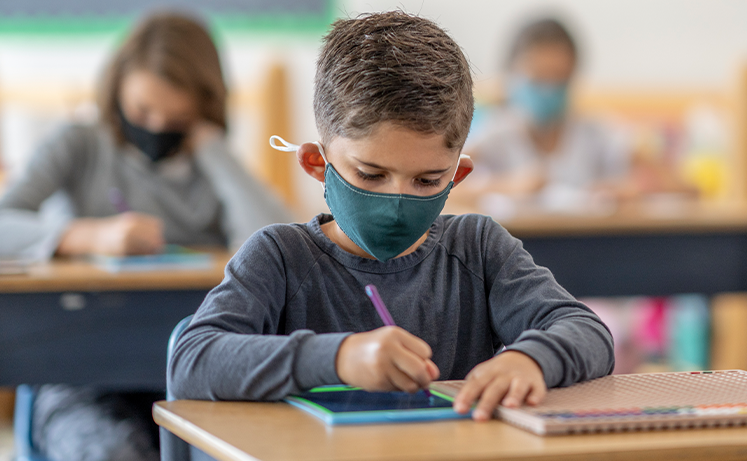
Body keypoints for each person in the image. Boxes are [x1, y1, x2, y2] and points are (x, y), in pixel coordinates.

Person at [168, 11, 614, 422]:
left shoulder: (478, 249)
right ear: (316, 164)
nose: (396, 200)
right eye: (372, 174)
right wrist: (339, 358)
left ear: (458, 175)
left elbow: (587, 332)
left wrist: (530, 358)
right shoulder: (281, 257)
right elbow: (193, 360)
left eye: (426, 180)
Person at [0, 12, 291, 461]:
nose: (155, 126)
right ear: (117, 93)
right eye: (142, 111)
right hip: (82, 371)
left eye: (176, 117)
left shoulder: (211, 164)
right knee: (110, 451)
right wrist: (89, 235)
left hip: (188, 374)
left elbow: (275, 244)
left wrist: (212, 149)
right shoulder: (79, 144)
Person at [461, 18, 633, 212]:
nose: (548, 89)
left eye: (559, 77)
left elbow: (653, 181)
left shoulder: (598, 132)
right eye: (538, 78)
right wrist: (509, 186)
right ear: (512, 75)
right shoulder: (495, 132)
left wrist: (624, 191)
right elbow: (446, 185)